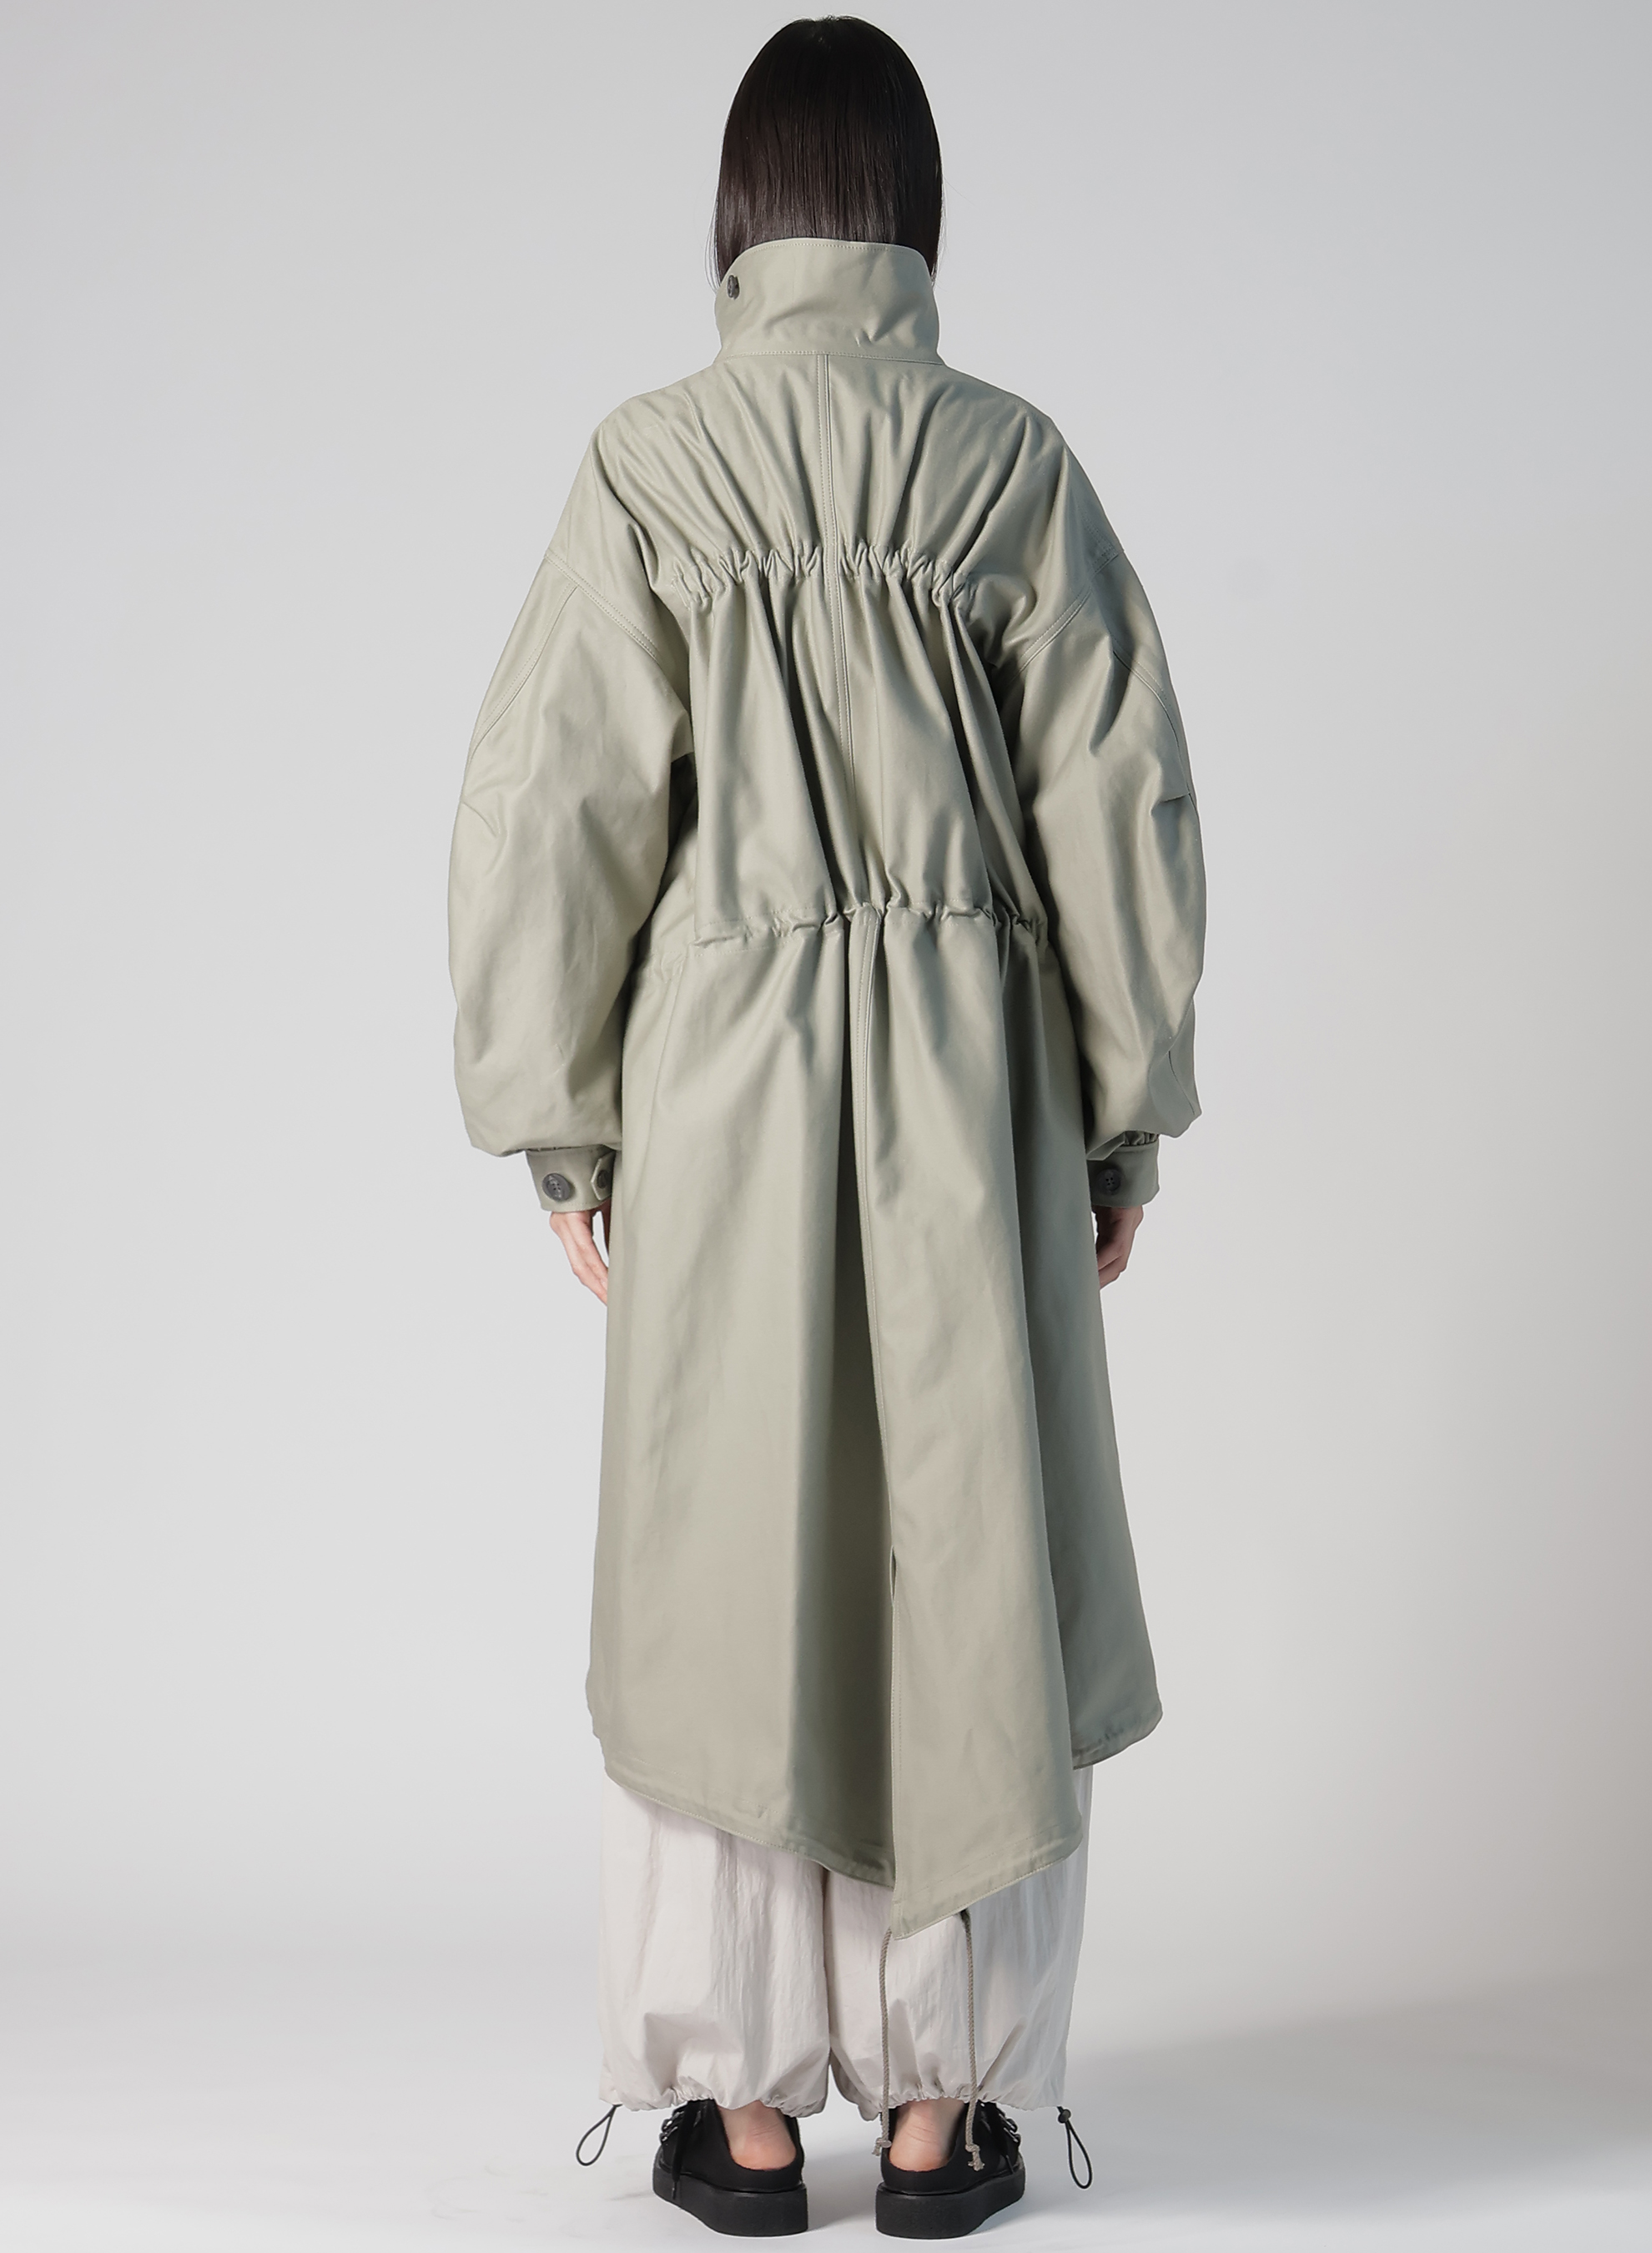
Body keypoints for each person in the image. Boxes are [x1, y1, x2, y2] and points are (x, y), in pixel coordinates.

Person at [448, 17, 1204, 2239]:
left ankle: (750, 2121)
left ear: (740, 220)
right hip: (977, 1091)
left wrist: (564, 1128)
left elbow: (545, 814)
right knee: (963, 1561)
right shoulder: (1010, 465)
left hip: (724, 1090)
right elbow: (1123, 807)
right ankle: (946, 2119)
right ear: (916, 218)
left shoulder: (652, 467)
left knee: (733, 1569)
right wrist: (1120, 1120)